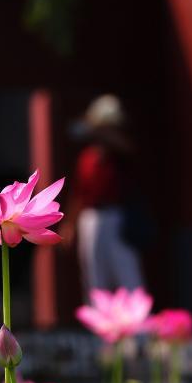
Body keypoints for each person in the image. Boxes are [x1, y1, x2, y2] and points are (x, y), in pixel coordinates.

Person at [65, 94, 144, 294]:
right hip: (91, 218)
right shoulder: (87, 156)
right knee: (94, 277)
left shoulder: (120, 154)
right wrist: (70, 224)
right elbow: (79, 193)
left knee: (127, 272)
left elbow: (125, 147)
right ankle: (99, 312)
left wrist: (102, 131)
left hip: (118, 217)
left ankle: (137, 312)